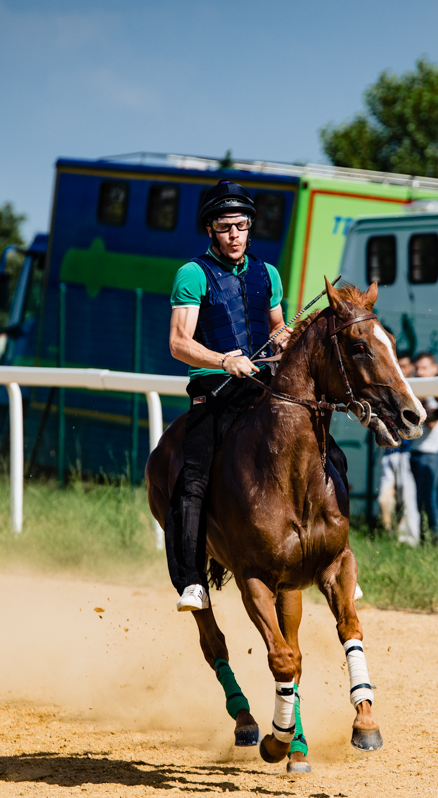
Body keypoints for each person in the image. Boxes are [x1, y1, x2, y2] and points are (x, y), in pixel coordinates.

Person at [165, 180, 292, 612]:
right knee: (193, 478)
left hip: (261, 388)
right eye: (225, 227)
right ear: (209, 230)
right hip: (214, 390)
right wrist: (223, 360)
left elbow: (275, 327)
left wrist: (285, 338)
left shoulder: (267, 273)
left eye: (242, 225)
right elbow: (179, 343)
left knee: (328, 452)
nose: (236, 234)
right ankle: (192, 581)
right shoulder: (192, 273)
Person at [377, 353, 421, 546]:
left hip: (407, 452)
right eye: (398, 365)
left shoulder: (415, 389)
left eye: (404, 366)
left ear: (411, 367)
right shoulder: (392, 387)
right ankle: (391, 535)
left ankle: (410, 540)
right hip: (390, 452)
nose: (401, 370)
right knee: (384, 499)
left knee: (408, 498)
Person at [410, 352, 438, 540]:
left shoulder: (435, 393)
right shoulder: (420, 390)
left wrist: (424, 396)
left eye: (424, 368)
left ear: (434, 369)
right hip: (418, 450)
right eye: (417, 368)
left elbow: (433, 421)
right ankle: (423, 539)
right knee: (419, 500)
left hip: (433, 452)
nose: (420, 372)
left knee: (430, 499)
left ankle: (436, 540)